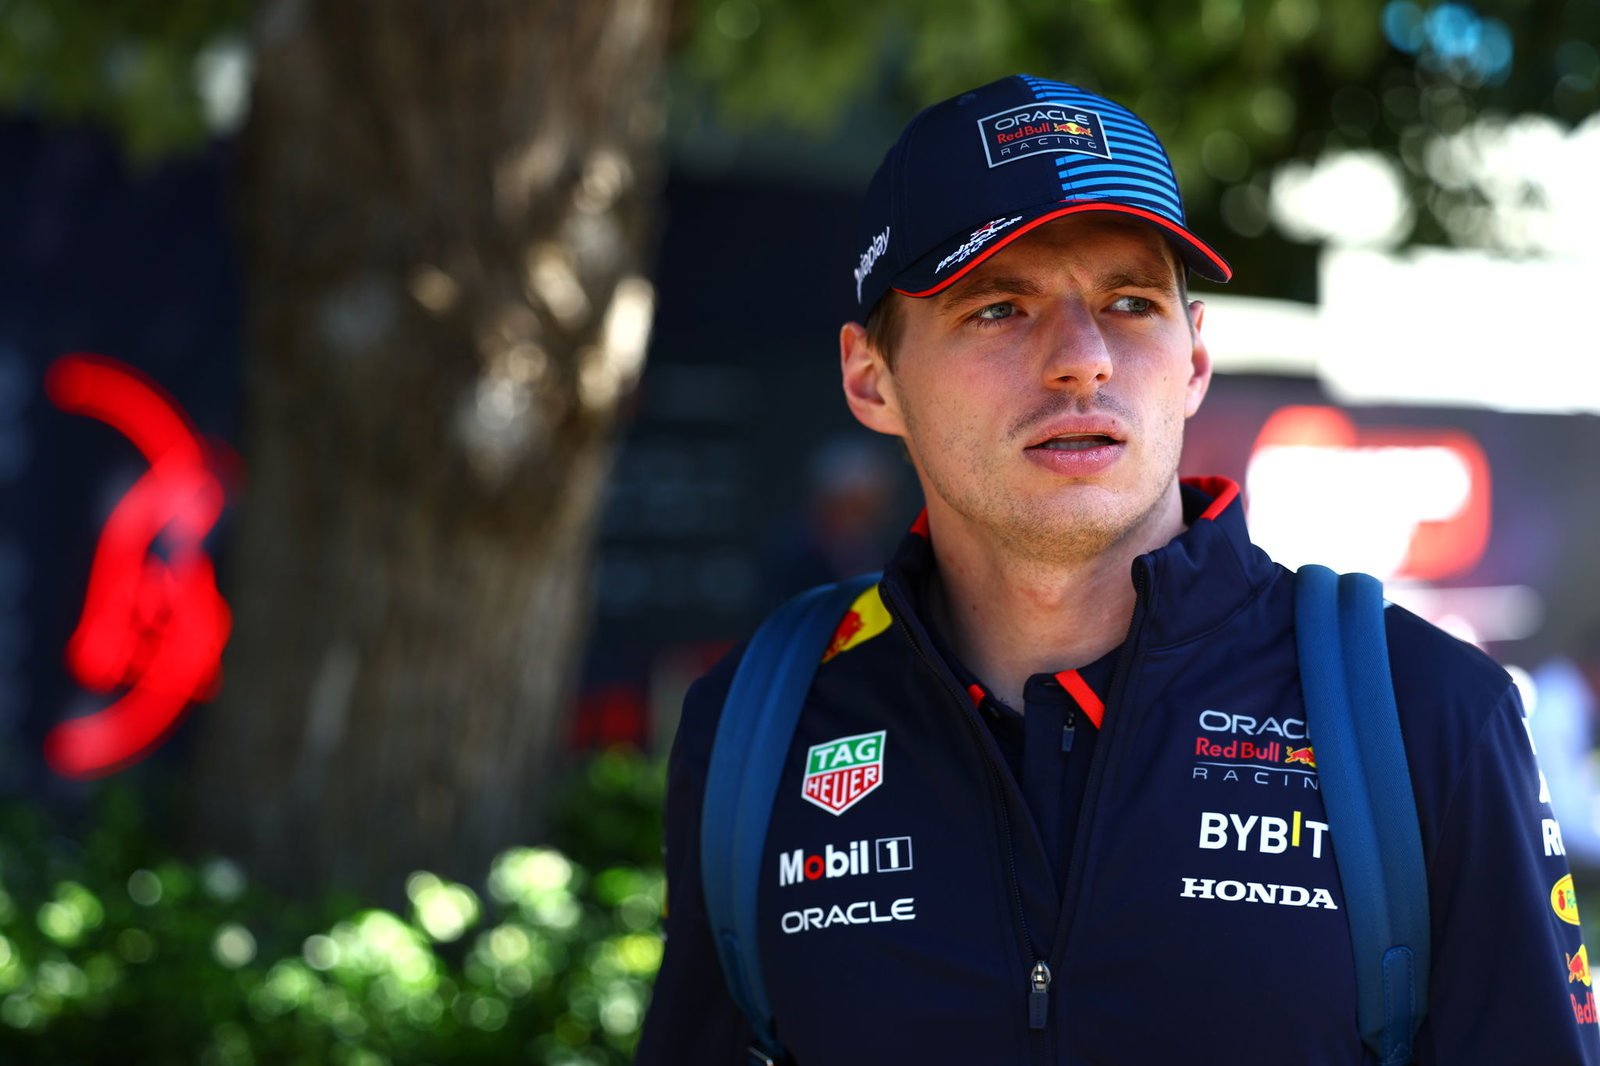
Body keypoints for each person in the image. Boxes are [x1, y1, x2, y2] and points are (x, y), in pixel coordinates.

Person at [635, 74, 1599, 1065]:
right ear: (870, 377)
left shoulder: (1426, 712)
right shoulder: (759, 724)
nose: (1082, 359)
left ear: (1191, 360)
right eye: (998, 308)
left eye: (1130, 302)